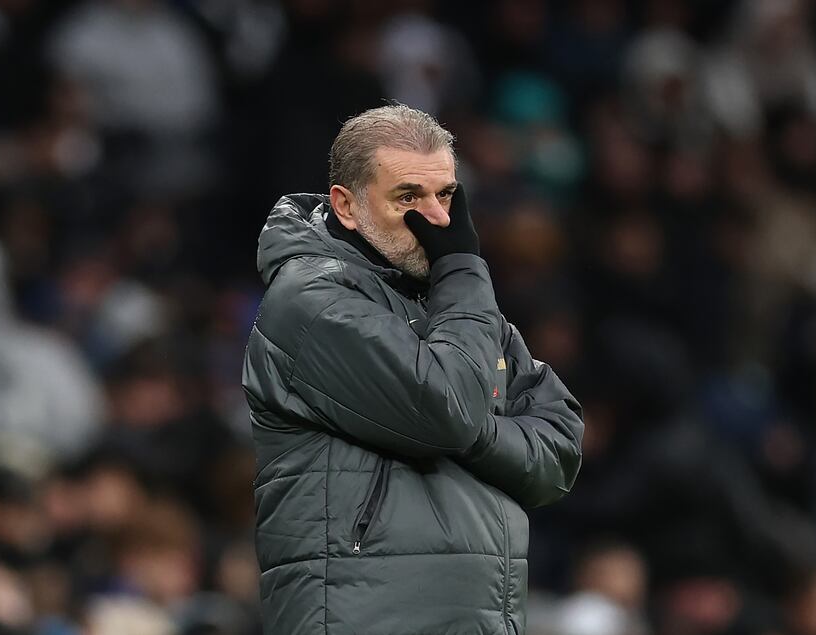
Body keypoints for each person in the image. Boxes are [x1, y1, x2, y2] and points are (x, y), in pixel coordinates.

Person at [241, 104, 584, 634]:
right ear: (346, 206)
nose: (440, 221)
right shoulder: (310, 303)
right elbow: (447, 409)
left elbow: (558, 453)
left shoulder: (454, 307)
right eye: (409, 197)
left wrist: (468, 427)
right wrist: (464, 269)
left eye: (445, 195)